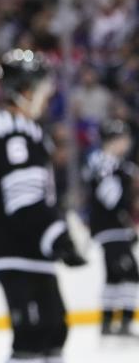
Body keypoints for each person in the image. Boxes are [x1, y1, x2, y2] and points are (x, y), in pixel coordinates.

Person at [0, 49, 87, 363]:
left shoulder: (23, 129)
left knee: (53, 329)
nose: (47, 97)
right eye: (42, 90)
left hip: (29, 244)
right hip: (14, 243)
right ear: (25, 91)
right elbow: (23, 200)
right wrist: (58, 237)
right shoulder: (10, 130)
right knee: (33, 334)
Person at [85, 118, 139, 337]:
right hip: (110, 228)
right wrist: (131, 201)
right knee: (131, 272)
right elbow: (111, 198)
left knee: (114, 276)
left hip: (115, 228)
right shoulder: (103, 162)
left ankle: (107, 322)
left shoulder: (118, 164)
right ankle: (125, 321)